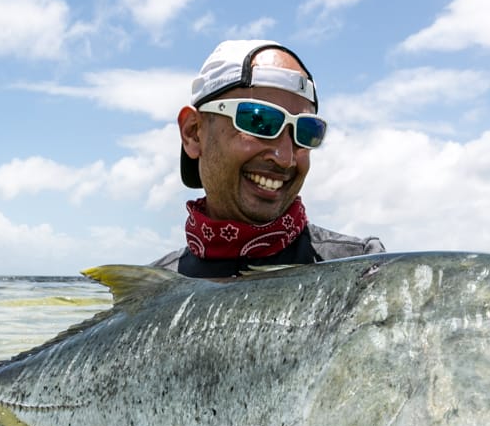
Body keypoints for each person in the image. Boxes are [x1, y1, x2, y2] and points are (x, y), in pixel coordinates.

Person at [151, 39, 384, 277]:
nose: (285, 158)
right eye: (259, 121)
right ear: (193, 133)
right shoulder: (144, 295)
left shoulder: (362, 269)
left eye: (306, 131)